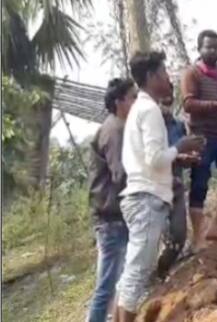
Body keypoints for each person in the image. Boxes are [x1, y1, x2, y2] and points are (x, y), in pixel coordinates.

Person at [116, 51, 204, 322]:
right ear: (152, 77)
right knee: (136, 276)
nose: (169, 79)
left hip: (140, 197)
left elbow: (145, 157)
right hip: (147, 200)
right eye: (165, 73)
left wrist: (176, 152)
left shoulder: (139, 109)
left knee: (131, 275)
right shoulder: (150, 110)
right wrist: (179, 147)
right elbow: (155, 159)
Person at [181, 29, 217, 249]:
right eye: (208, 46)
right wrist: (216, 105)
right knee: (199, 186)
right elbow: (188, 104)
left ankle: (214, 227)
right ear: (199, 48)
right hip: (201, 138)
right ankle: (198, 236)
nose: (213, 50)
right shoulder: (192, 73)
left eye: (216, 46)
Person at [87, 78, 137, 322]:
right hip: (111, 217)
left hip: (113, 215)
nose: (136, 102)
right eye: (133, 98)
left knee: (116, 280)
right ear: (119, 102)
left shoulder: (116, 126)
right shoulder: (116, 129)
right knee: (107, 285)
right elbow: (120, 174)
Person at [155, 85, 194, 279]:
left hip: (176, 185)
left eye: (169, 100)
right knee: (158, 237)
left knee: (179, 235)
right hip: (155, 189)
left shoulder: (178, 126)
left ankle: (162, 269)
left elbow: (183, 152)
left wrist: (189, 158)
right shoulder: (150, 127)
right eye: (163, 101)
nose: (166, 105)